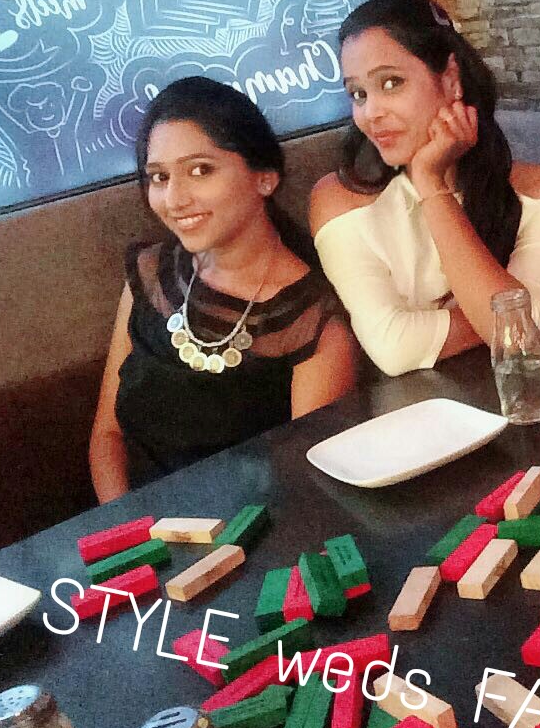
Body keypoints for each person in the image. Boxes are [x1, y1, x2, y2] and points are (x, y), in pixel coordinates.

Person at [89, 77, 357, 502]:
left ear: (264, 177)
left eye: (200, 170)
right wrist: (128, 528)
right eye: (159, 177)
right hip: (133, 529)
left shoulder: (311, 322)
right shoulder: (151, 273)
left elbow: (309, 488)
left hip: (250, 534)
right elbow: (108, 435)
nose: (174, 198)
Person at [309, 0, 540, 377]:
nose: (371, 112)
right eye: (358, 93)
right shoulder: (338, 201)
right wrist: (538, 312)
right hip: (417, 412)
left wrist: (431, 185)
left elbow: (512, 338)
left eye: (391, 83)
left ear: (451, 79)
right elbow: (394, 349)